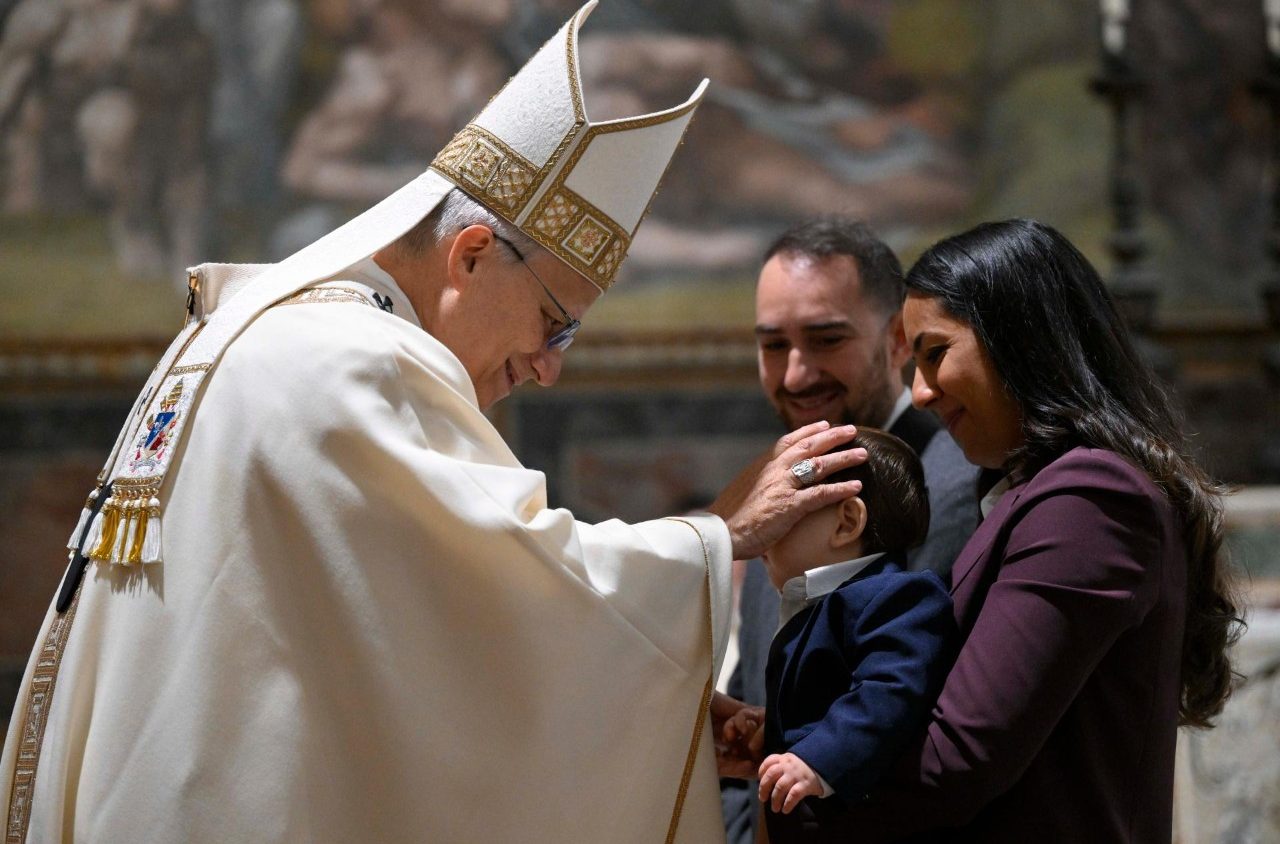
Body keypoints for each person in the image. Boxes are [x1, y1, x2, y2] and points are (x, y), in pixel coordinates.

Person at [0, 6, 867, 843]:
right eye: (555, 319)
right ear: (473, 253)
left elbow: (407, 640)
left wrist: (652, 705)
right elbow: (518, 585)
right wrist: (718, 534)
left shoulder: (269, 332)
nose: (548, 364)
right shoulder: (357, 362)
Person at [759, 218, 1245, 842]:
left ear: (1020, 341)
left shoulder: (1089, 499)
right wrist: (810, 753)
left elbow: (958, 758)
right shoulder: (1040, 493)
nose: (922, 392)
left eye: (937, 354)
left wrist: (797, 801)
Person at [721, 217, 981, 843]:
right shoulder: (778, 485)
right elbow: (753, 683)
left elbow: (920, 708)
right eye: (773, 346)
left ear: (897, 340)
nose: (795, 375)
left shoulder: (955, 484)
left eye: (825, 338)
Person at [721, 429, 956, 843]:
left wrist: (817, 758)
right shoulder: (814, 604)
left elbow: (888, 692)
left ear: (846, 521)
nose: (764, 528)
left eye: (784, 509)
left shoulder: (899, 596)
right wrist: (771, 730)